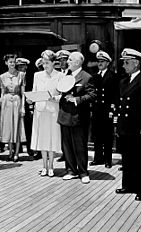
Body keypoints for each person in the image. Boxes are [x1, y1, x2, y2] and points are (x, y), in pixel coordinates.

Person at [115, 48, 141, 201]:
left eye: (127, 62)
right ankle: (128, 184)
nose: (124, 65)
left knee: (140, 158)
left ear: (136, 63)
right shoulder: (123, 80)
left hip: (136, 126)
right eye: (123, 62)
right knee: (127, 157)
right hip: (125, 126)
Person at [57, 51, 96, 183]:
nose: (67, 62)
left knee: (80, 146)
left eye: (70, 60)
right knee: (66, 146)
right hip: (64, 116)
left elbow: (92, 96)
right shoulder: (64, 76)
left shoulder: (86, 77)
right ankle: (71, 170)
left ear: (78, 62)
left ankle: (83, 173)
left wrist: (76, 99)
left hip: (78, 118)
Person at [30, 50, 63, 176]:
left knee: (52, 139)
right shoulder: (37, 75)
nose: (45, 66)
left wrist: (54, 99)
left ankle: (51, 166)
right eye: (43, 63)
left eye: (47, 63)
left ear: (54, 62)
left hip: (53, 110)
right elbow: (34, 91)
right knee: (42, 139)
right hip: (40, 111)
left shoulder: (60, 76)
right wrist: (30, 98)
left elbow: (62, 95)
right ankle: (44, 166)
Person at [90, 51, 117, 168]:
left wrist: (113, 111)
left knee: (107, 136)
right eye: (99, 61)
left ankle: (108, 160)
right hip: (96, 110)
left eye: (102, 61)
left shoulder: (113, 76)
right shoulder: (95, 77)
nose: (100, 63)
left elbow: (115, 96)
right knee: (97, 136)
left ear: (107, 63)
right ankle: (98, 158)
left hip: (107, 111)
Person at [0, 54, 26, 162]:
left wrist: (23, 107)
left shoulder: (21, 75)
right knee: (9, 127)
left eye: (14, 62)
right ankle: (10, 151)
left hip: (17, 101)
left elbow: (23, 93)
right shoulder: (2, 76)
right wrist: (1, 104)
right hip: (6, 102)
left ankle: (17, 152)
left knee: (17, 126)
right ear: (6, 63)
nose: (12, 64)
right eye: (10, 62)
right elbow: (2, 92)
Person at [16, 57, 35, 157]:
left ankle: (29, 148)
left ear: (26, 67)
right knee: (17, 126)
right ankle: (18, 148)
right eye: (19, 66)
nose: (21, 68)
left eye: (22, 66)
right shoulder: (15, 76)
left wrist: (31, 106)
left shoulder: (31, 77)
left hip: (28, 104)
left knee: (28, 127)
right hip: (16, 103)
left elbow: (32, 91)